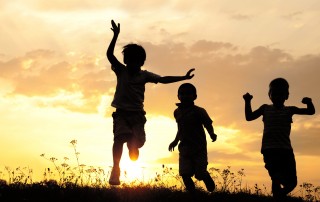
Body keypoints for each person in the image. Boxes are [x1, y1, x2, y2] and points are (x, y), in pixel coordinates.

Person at [107, 20, 195, 185]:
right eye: (129, 61)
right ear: (125, 61)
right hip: (121, 114)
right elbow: (110, 56)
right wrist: (115, 36)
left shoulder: (145, 75)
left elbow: (163, 79)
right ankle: (116, 169)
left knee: (137, 144)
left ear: (141, 62)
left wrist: (183, 77)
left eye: (136, 61)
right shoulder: (121, 71)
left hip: (138, 116)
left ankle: (133, 146)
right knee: (119, 138)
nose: (132, 64)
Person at [243, 78, 315, 200]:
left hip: (286, 150)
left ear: (286, 96)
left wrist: (309, 102)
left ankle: (279, 195)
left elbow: (310, 111)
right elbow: (249, 117)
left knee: (292, 183)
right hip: (269, 150)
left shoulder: (290, 110)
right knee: (275, 177)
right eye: (274, 93)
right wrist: (247, 101)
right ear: (269, 95)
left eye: (281, 94)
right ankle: (277, 195)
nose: (277, 96)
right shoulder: (265, 108)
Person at [168, 83, 217, 192]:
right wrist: (175, 141)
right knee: (185, 173)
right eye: (182, 94)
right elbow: (180, 128)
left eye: (188, 94)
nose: (185, 96)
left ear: (194, 96)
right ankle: (192, 193)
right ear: (178, 96)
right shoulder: (177, 112)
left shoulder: (199, 111)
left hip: (199, 148)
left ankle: (206, 178)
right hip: (184, 148)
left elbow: (208, 124)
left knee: (200, 173)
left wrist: (212, 134)